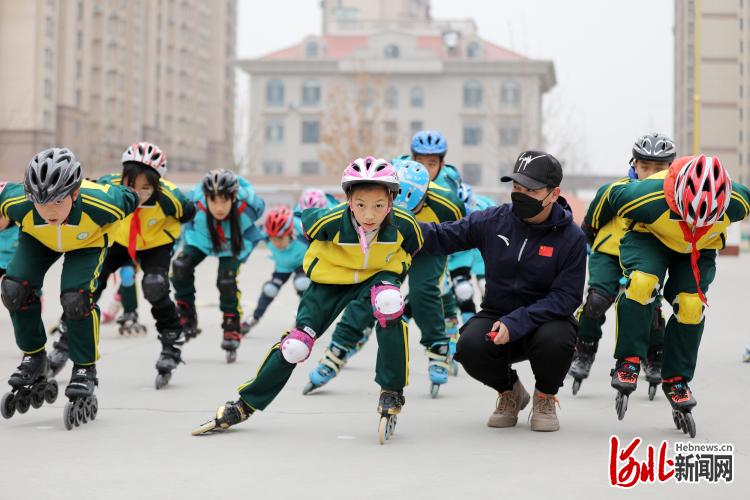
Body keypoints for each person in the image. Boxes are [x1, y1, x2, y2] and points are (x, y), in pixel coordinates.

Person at [192, 157, 422, 444]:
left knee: (389, 303)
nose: (369, 215)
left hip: (377, 276)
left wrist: (392, 276)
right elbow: (305, 226)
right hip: (330, 281)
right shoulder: (328, 220)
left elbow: (412, 249)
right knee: (296, 346)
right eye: (361, 204)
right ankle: (244, 404)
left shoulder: (404, 224)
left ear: (391, 200)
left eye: (378, 205)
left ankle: (391, 390)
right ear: (349, 200)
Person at [418, 151, 587, 432]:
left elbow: (567, 297)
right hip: (497, 315)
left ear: (554, 193)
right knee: (469, 346)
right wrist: (397, 226)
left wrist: (518, 320)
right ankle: (510, 392)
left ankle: (545, 396)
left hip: (547, 321)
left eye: (531, 190)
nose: (520, 195)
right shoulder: (494, 221)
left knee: (557, 339)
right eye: (517, 187)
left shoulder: (571, 238)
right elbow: (442, 235)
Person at [593, 154, 750, 437]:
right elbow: (610, 195)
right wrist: (591, 234)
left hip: (698, 249)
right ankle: (628, 360)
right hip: (650, 238)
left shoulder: (739, 201)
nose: (694, 221)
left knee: (691, 305)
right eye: (688, 214)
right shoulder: (644, 195)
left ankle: (677, 379)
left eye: (707, 216)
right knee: (641, 284)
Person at [303, 158, 465, 398]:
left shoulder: (447, 203)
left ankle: (437, 345)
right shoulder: (379, 193)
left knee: (424, 290)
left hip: (426, 245)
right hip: (387, 243)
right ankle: (340, 346)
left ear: (426, 195)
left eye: (416, 206)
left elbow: (460, 231)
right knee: (367, 294)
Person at [0, 148, 138, 429]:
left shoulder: (104, 202)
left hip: (87, 243)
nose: (49, 210)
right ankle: (35, 358)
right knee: (14, 288)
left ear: (75, 194)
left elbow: (131, 197)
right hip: (39, 241)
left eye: (58, 201)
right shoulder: (16, 202)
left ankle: (85, 368)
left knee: (76, 299)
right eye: (41, 202)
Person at [570, 133, 675, 398]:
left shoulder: (673, 197)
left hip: (647, 258)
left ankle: (655, 356)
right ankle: (584, 350)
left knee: (649, 305)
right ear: (634, 164)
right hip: (609, 253)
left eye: (659, 168)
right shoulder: (614, 191)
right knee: (595, 302)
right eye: (645, 166)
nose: (651, 173)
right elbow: (590, 225)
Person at [95, 142, 196, 389]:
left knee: (154, 285)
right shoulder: (107, 185)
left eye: (145, 188)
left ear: (157, 186)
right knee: (90, 282)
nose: (137, 193)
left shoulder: (171, 198)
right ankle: (68, 336)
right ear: (122, 177)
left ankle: (172, 335)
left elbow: (188, 213)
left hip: (155, 244)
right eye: (130, 185)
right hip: (119, 239)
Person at [171, 169, 264, 363]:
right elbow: (179, 226)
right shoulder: (194, 206)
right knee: (180, 266)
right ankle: (187, 313)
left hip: (234, 242)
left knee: (226, 278)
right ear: (206, 199)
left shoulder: (249, 207)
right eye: (213, 201)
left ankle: (231, 325)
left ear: (234, 197)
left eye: (224, 201)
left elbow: (258, 221)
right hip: (203, 239)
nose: (219, 207)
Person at [244, 205, 309, 332]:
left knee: (302, 284)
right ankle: (254, 318)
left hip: (303, 263)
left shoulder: (303, 230)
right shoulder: (264, 232)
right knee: (270, 289)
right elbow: (245, 241)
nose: (276, 243)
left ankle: (303, 319)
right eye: (272, 238)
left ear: (290, 232)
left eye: (280, 238)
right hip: (282, 266)